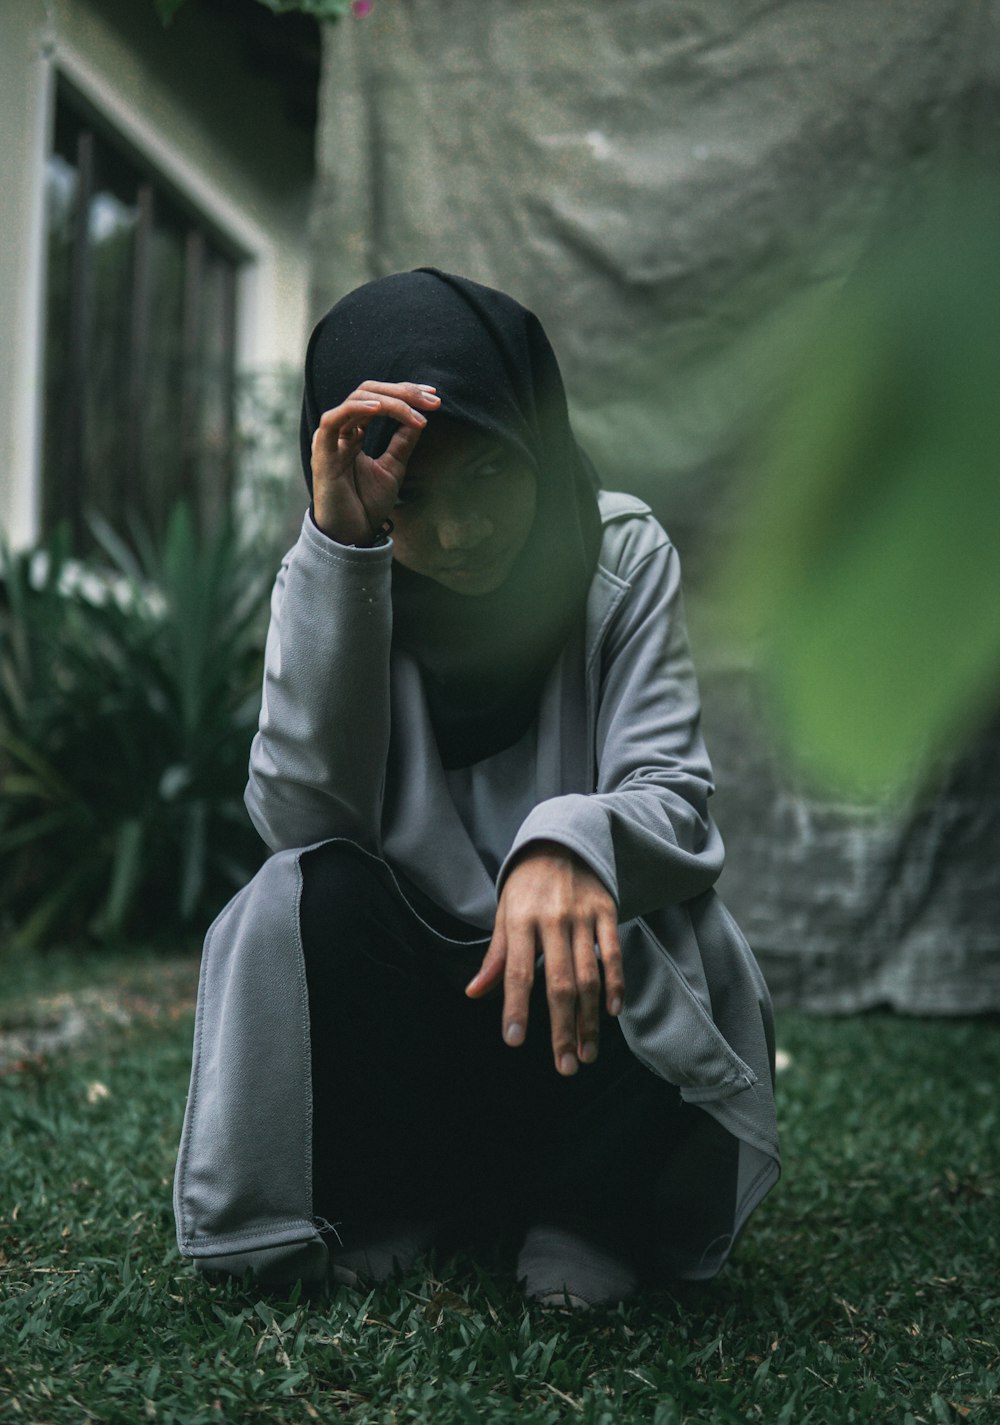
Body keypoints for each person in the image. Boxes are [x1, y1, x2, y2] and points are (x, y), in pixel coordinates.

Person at [173, 269, 779, 1307]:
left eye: (490, 474)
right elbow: (303, 826)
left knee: (677, 922)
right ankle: (391, 1197)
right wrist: (345, 558)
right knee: (298, 897)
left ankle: (588, 1213)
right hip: (417, 1025)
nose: (456, 534)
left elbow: (671, 797)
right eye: (410, 494)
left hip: (581, 1032)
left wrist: (565, 841)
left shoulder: (618, 555)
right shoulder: (328, 574)